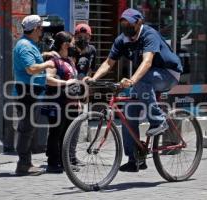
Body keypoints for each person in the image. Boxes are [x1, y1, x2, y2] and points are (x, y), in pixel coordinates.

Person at [84, 8, 183, 172]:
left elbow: (147, 62)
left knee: (142, 79)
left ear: (139, 22)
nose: (125, 25)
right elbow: (109, 63)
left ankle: (158, 121)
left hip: (168, 73)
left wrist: (131, 80)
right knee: (128, 112)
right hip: (147, 78)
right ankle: (135, 159)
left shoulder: (149, 35)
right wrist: (94, 79)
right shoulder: (122, 40)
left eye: (128, 22)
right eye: (123, 22)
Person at [13, 15, 55, 176]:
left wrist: (44, 55)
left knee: (28, 129)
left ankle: (26, 163)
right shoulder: (24, 45)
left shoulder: (30, 44)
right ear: (35, 29)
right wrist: (47, 63)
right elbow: (30, 69)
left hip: (31, 92)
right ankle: (23, 165)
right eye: (41, 28)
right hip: (27, 93)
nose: (42, 31)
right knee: (26, 130)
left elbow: (32, 62)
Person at [44, 31, 81, 173]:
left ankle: (65, 162)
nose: (74, 45)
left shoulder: (70, 61)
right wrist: (66, 82)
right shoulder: (54, 61)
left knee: (67, 134)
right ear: (65, 45)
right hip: (58, 104)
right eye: (72, 43)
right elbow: (48, 79)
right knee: (56, 133)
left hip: (71, 104)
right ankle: (53, 163)